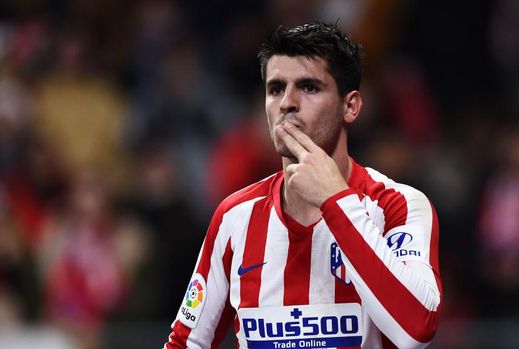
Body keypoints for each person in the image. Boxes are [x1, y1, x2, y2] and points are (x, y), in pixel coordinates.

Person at [164, 21, 442, 349]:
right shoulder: (234, 218)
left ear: (350, 106)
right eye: (276, 88)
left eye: (309, 87)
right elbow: (184, 343)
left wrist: (336, 200)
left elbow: (416, 329)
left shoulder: (398, 205)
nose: (287, 103)